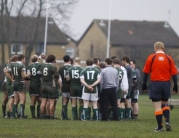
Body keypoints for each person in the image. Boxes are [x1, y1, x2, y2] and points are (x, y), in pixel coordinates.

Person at [142, 41, 178, 132]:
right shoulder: (169, 58)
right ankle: (167, 121)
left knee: (157, 106)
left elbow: (146, 72)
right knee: (165, 103)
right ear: (163, 48)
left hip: (155, 83)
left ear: (155, 48)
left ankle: (160, 127)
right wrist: (175, 85)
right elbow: (174, 74)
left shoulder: (151, 57)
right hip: (166, 84)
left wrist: (144, 84)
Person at [8, 54, 31, 118]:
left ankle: (13, 115)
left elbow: (6, 71)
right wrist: (29, 74)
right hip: (20, 83)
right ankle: (21, 115)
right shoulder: (22, 65)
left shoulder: (12, 64)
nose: (25, 60)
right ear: (22, 59)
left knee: (15, 100)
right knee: (22, 100)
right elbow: (23, 76)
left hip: (15, 83)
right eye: (24, 59)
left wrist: (11, 78)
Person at [39, 54, 59, 119]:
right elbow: (56, 76)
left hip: (43, 85)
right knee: (51, 102)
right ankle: (51, 116)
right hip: (50, 86)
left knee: (43, 102)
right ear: (53, 60)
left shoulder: (42, 65)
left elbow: (39, 73)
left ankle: (42, 116)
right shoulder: (53, 67)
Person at [59, 55, 72, 120]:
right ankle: (74, 117)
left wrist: (60, 87)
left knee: (64, 101)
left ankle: (64, 116)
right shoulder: (72, 68)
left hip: (64, 86)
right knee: (73, 102)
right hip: (71, 87)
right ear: (69, 60)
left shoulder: (61, 68)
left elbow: (60, 79)